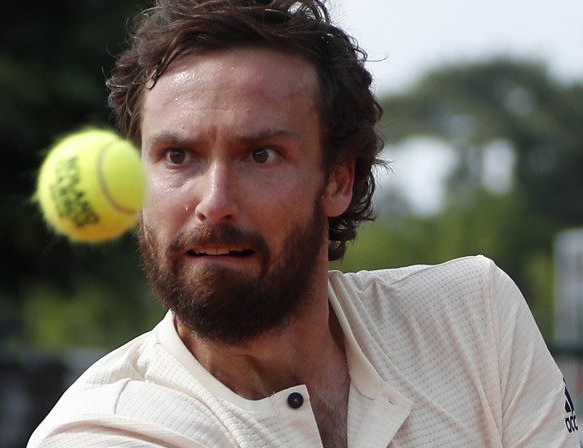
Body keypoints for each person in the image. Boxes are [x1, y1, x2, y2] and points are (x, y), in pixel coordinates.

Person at [28, 0, 579, 446]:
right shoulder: (104, 433)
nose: (214, 202)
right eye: (178, 156)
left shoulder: (473, 317)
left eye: (260, 155)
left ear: (337, 179)